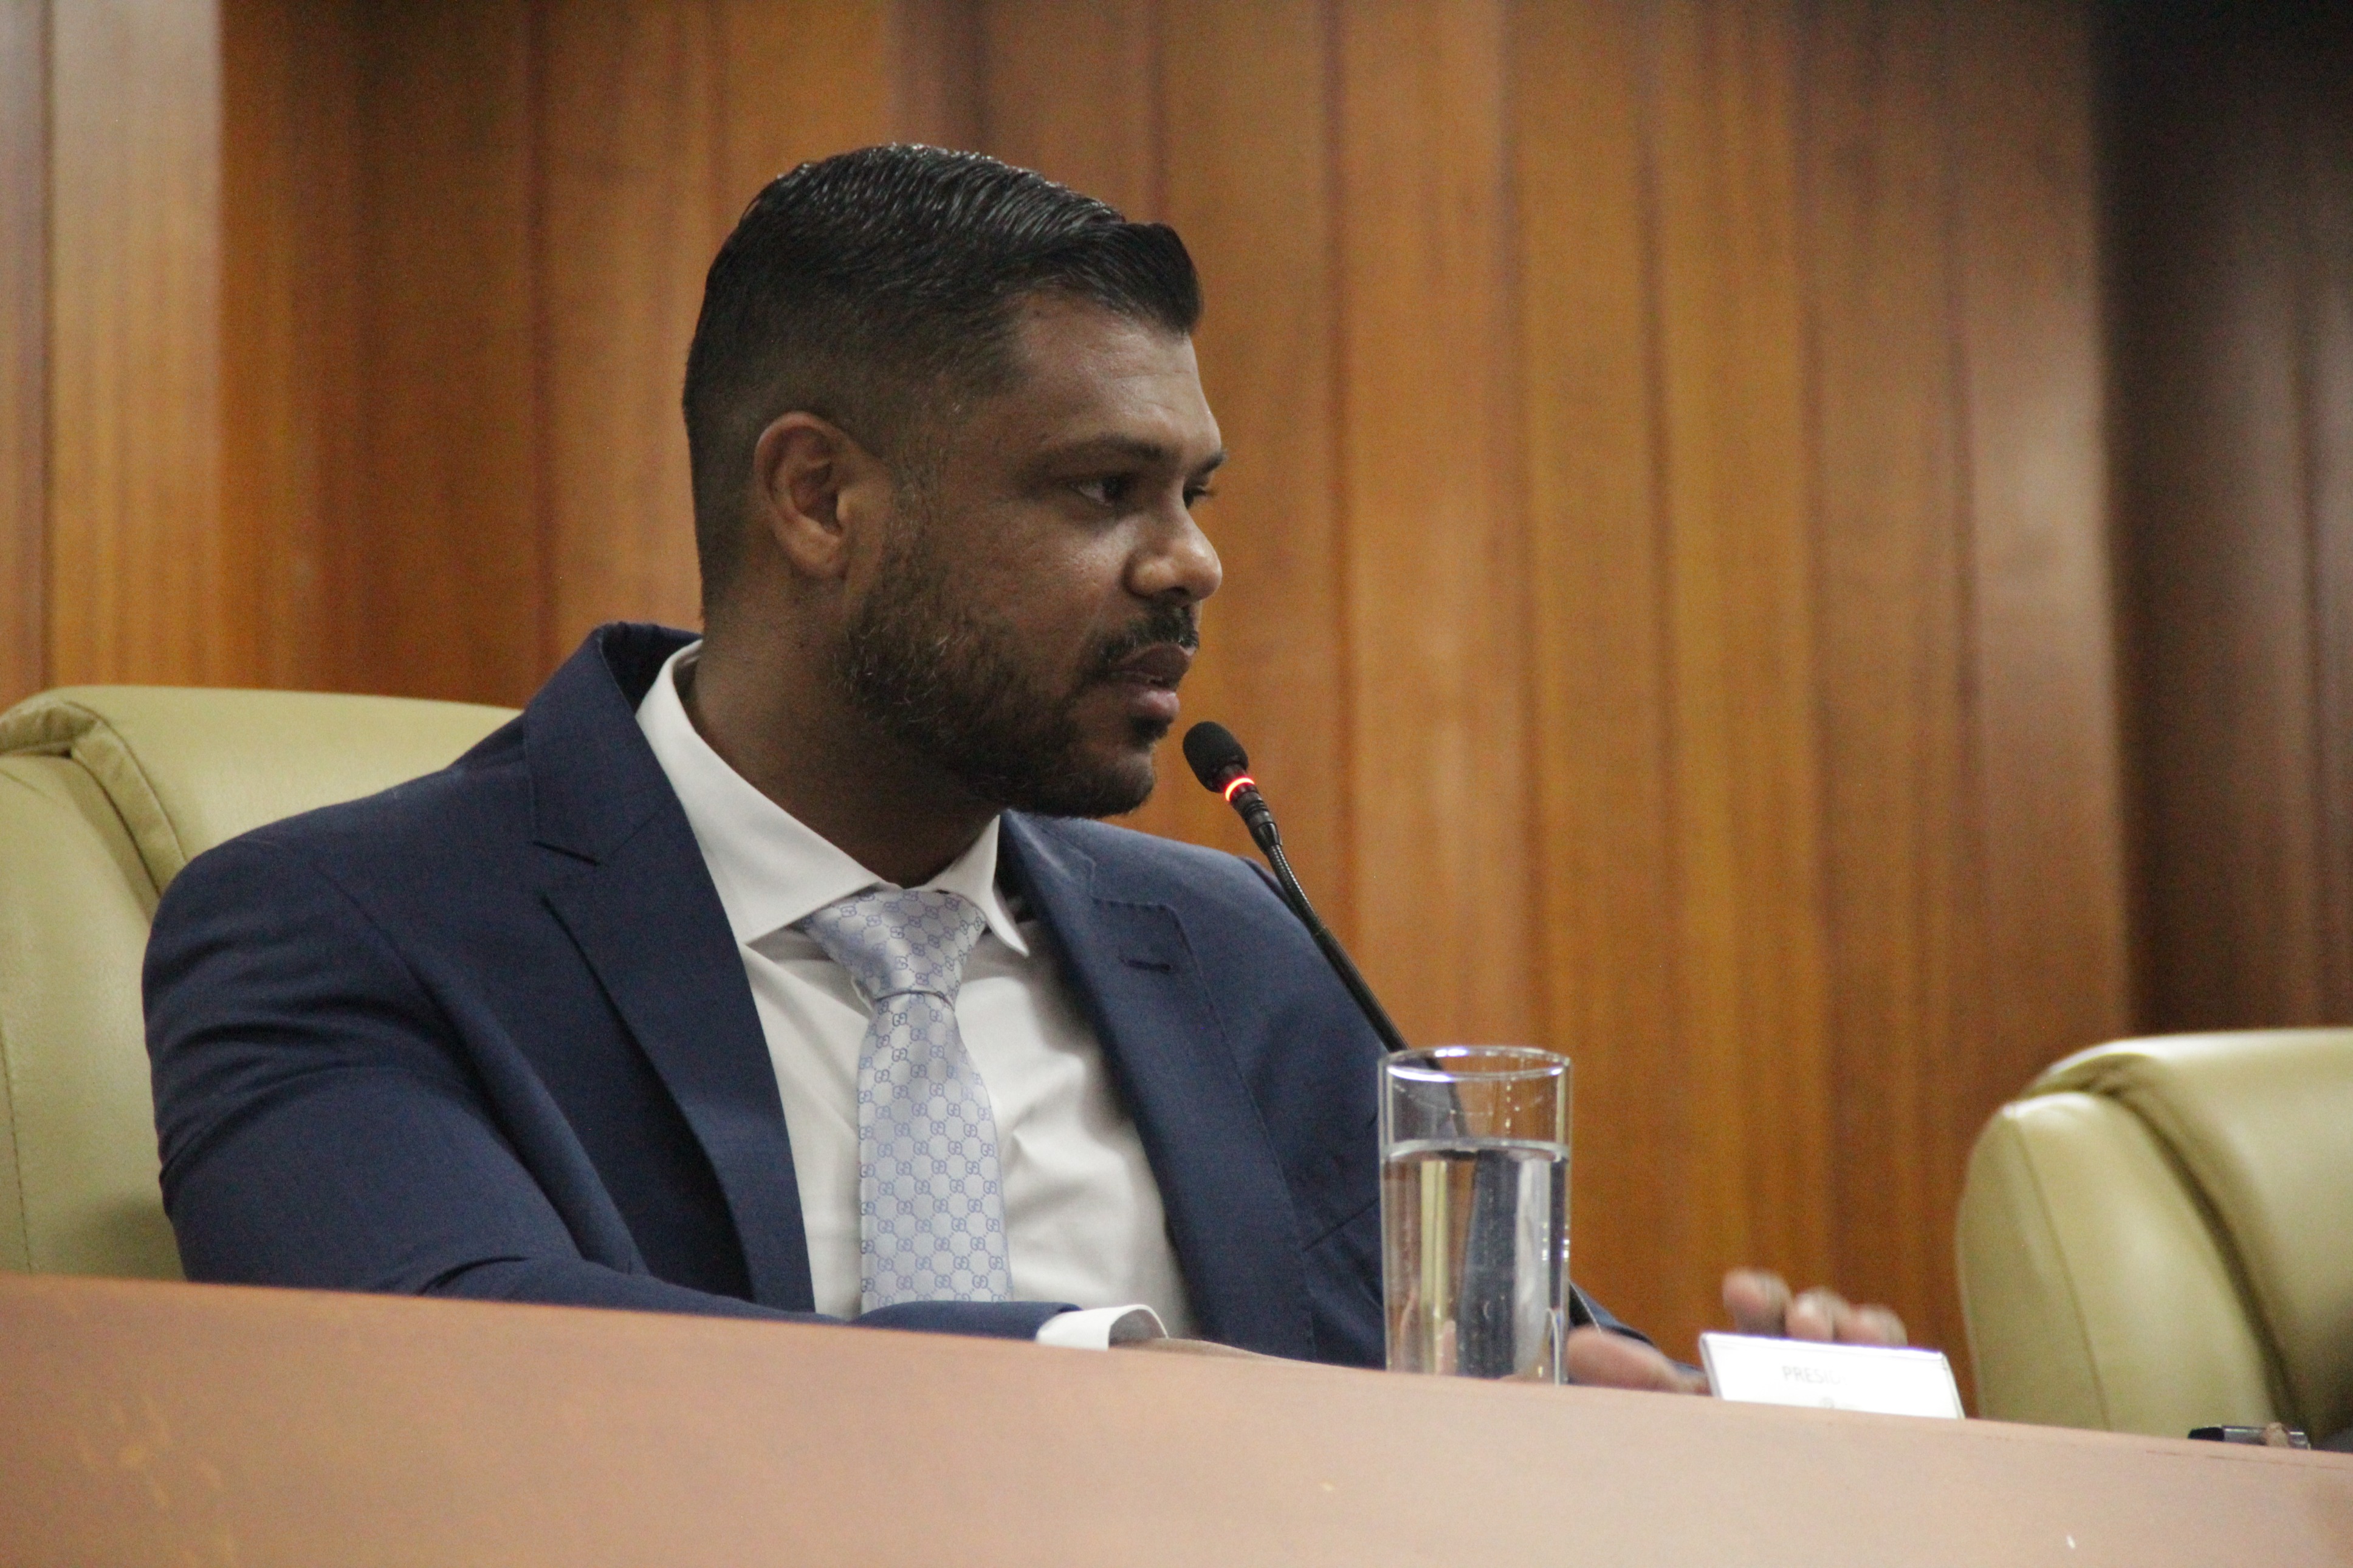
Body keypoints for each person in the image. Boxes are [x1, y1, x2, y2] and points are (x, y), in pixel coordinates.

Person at [145, 145, 1901, 1385]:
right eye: (1101, 491)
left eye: (1192, 493)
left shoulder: (1232, 953)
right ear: (819, 498)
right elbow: (450, 1363)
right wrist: (1103, 1384)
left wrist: (1678, 1407)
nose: (1191, 563)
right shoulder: (346, 928)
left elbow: (1462, 1389)